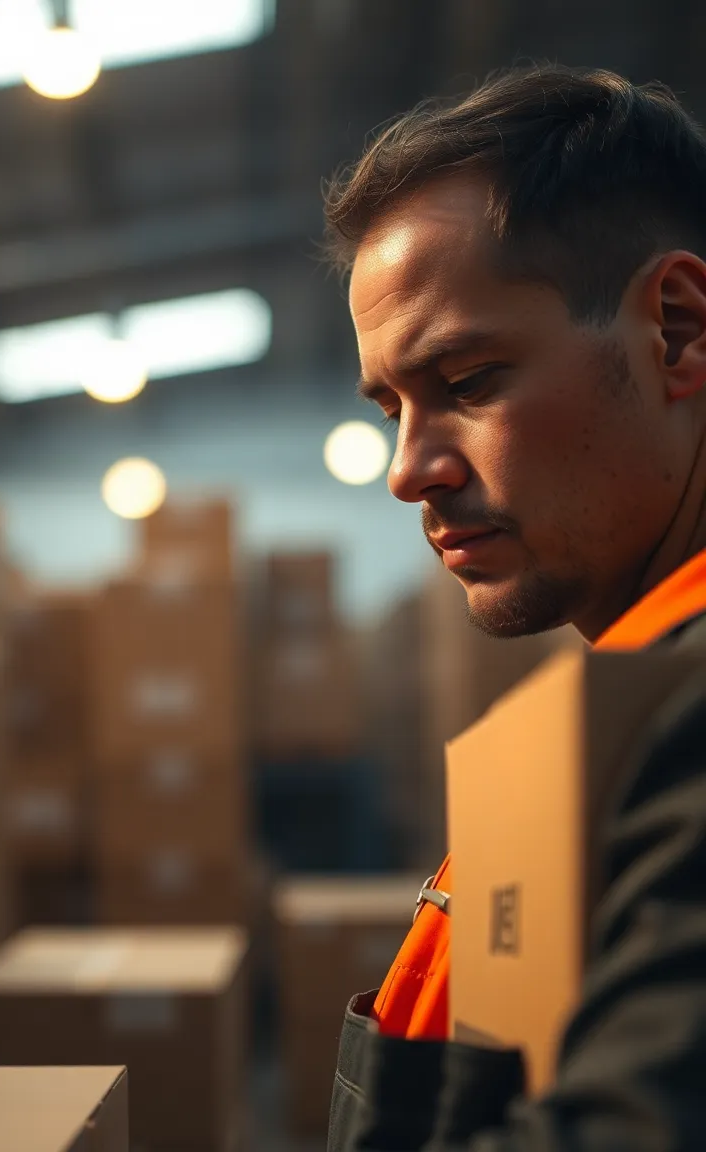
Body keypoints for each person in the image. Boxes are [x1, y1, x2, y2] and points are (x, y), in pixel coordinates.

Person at [322, 63, 706, 1151]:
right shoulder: (628, 702)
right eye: (390, 406)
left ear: (674, 331)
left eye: (469, 380)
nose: (406, 472)